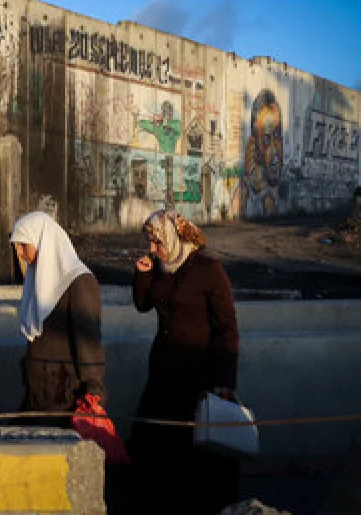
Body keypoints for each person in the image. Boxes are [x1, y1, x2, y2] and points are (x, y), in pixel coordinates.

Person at [128, 210, 241, 515]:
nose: (153, 248)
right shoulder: (163, 267)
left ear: (175, 238)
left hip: (197, 378)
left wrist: (225, 381)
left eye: (157, 241)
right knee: (151, 447)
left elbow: (226, 329)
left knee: (192, 454)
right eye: (150, 242)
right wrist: (143, 274)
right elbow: (143, 304)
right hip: (162, 375)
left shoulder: (209, 270)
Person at [10, 211, 105, 425]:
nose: (18, 252)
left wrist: (93, 391)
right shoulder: (38, 279)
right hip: (40, 393)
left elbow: (88, 339)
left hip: (67, 397)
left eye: (23, 245)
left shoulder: (79, 282)